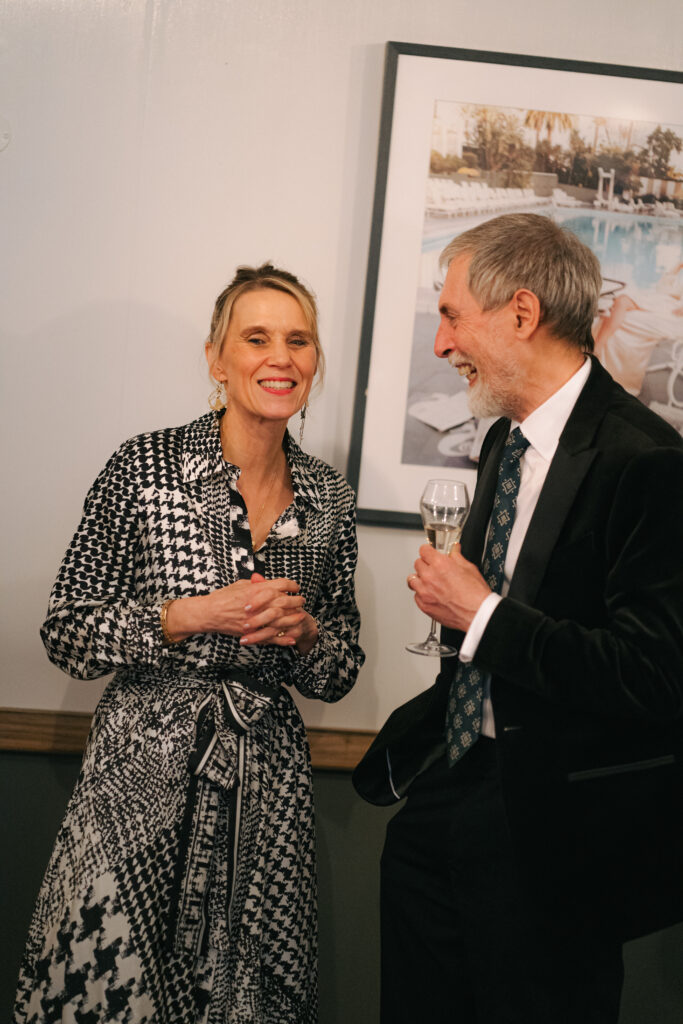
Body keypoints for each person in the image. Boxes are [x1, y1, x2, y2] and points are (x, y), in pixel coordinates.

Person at [353, 214, 683, 1023]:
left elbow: (653, 676)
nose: (439, 343)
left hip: (558, 844)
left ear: (521, 314)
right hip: (451, 797)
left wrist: (483, 614)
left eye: (450, 314)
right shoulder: (503, 440)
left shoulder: (648, 463)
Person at [14, 263, 364, 1024]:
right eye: (257, 337)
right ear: (216, 358)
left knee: (250, 999)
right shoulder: (146, 467)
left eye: (299, 340)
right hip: (140, 778)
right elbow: (67, 628)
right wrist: (190, 615)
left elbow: (340, 670)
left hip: (266, 790)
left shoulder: (330, 498)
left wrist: (304, 635)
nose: (282, 357)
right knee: (107, 993)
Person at [593, 262, 683, 397]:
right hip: (667, 306)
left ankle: (598, 351)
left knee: (623, 312)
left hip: (675, 319)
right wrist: (678, 267)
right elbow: (663, 289)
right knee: (619, 313)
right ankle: (603, 366)